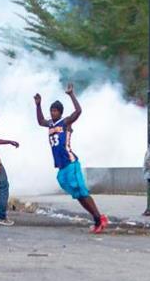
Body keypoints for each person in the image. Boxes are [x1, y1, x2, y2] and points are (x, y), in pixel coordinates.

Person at [35, 83, 108, 233]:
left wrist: (71, 95)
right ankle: (97, 217)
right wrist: (38, 105)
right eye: (51, 111)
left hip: (70, 162)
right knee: (76, 194)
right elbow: (40, 121)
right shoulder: (50, 124)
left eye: (55, 111)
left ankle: (98, 219)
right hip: (61, 166)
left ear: (60, 113)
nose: (53, 113)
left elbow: (78, 111)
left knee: (82, 192)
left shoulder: (66, 122)